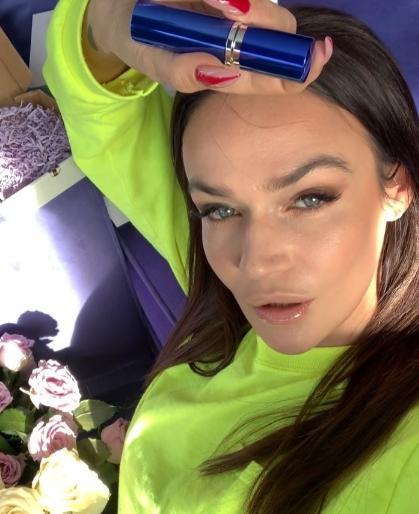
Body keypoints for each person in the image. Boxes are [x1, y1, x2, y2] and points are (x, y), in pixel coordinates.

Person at [43, 0, 419, 512]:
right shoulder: (217, 282)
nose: (256, 262)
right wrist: (113, 18)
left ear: (397, 186)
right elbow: (98, 109)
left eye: (310, 198)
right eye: (219, 209)